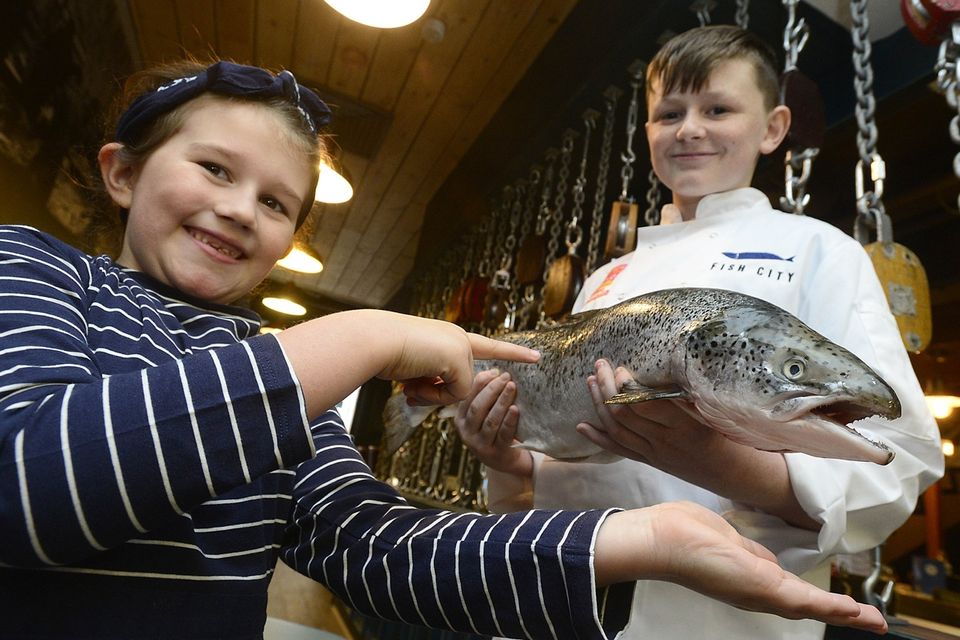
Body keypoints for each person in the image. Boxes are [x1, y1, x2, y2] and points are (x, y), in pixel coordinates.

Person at [0, 57, 887, 640]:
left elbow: (381, 551)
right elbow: (27, 489)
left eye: (277, 203)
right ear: (122, 172)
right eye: (215, 170)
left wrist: (633, 539)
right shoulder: (32, 267)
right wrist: (358, 335)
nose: (241, 210)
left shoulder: (272, 380)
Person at [456, 25, 944, 640]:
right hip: (557, 601)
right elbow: (564, 464)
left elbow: (901, 458)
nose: (690, 129)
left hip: (720, 624)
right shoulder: (607, 278)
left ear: (772, 128)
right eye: (669, 113)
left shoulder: (821, 250)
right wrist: (505, 461)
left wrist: (724, 463)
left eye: (718, 108)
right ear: (649, 135)